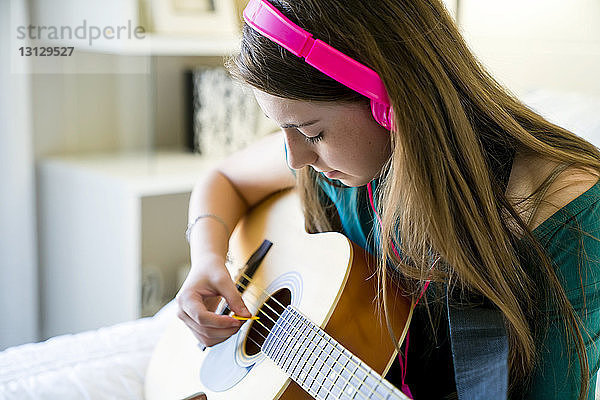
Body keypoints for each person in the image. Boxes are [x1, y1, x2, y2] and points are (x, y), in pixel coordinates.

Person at [176, 0, 600, 398]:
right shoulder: (351, 162)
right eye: (280, 128)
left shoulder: (566, 214)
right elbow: (224, 178)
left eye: (312, 133)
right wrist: (206, 258)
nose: (295, 159)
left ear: (392, 105)